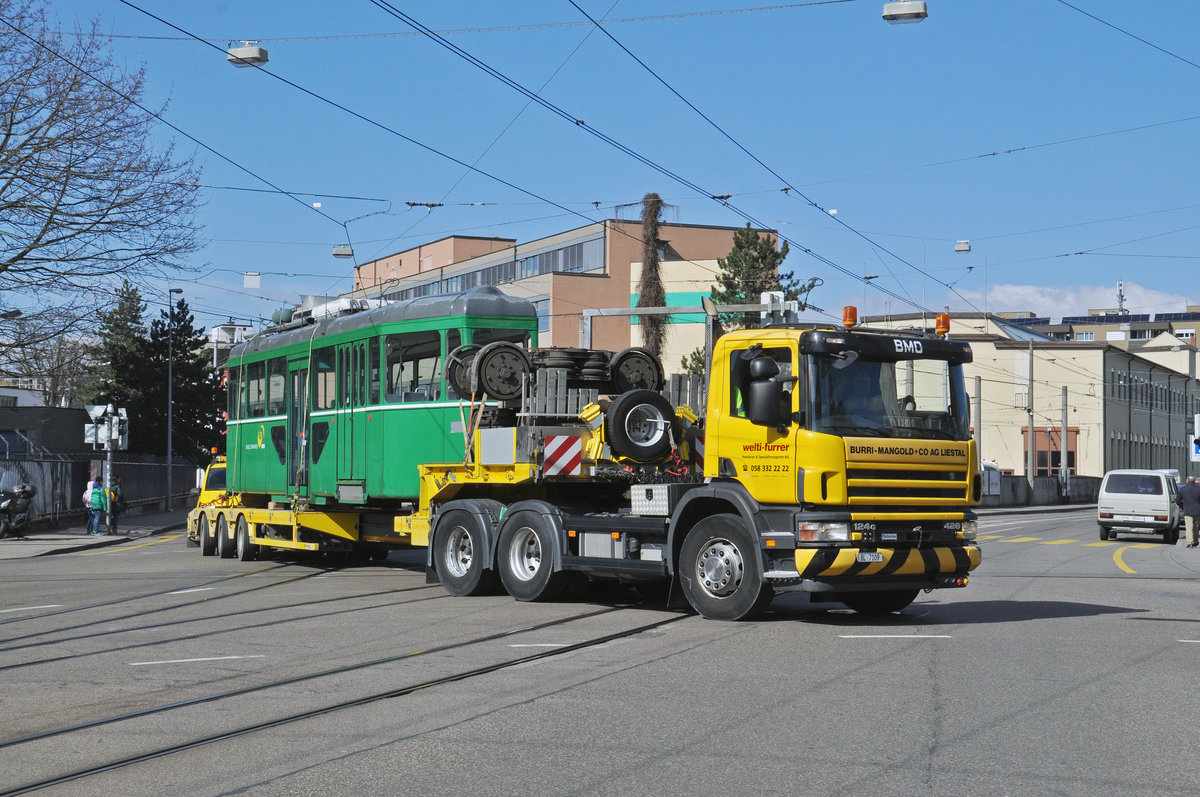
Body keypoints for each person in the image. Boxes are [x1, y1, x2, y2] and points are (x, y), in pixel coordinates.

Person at [1175, 475, 1200, 548]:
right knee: (1196, 527)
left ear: (1187, 481)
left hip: (1187, 511)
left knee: (1189, 527)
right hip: (1198, 511)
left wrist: (1182, 506)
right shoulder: (1198, 489)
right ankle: (1195, 541)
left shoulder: (1183, 489)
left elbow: (1177, 500)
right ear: (1194, 481)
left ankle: (1190, 542)